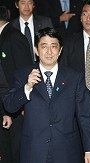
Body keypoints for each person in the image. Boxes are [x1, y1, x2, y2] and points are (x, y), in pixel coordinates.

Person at [2, 27, 90, 163]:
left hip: (67, 151)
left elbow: (85, 115)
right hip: (34, 151)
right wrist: (27, 87)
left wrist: (89, 150)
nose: (49, 52)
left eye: (53, 46)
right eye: (44, 46)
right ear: (36, 50)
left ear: (60, 50)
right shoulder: (23, 75)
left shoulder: (74, 78)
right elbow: (9, 106)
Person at [0, 5, 33, 163]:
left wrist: (19, 106)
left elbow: (23, 72)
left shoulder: (13, 37)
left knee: (15, 152)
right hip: (7, 105)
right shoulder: (5, 36)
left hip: (15, 106)